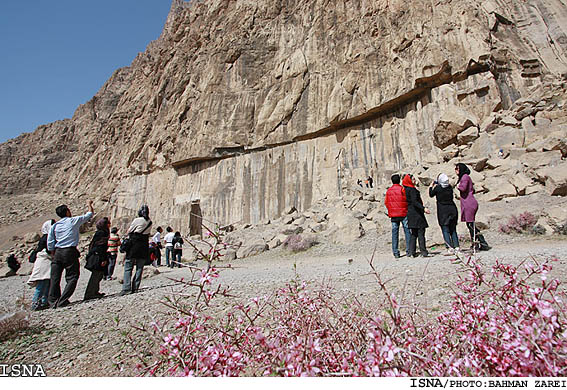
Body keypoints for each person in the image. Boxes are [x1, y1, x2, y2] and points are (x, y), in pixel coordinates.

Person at [47, 200, 94, 308]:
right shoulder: (73, 221)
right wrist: (89, 205)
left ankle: (53, 301)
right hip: (69, 251)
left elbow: (50, 242)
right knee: (72, 276)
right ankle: (63, 300)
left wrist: (53, 252)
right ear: (67, 212)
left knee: (55, 278)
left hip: (58, 251)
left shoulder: (55, 226)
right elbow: (89, 215)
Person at [455, 163, 490, 251]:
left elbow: (463, 188)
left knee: (471, 225)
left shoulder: (465, 177)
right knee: (470, 225)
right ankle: (481, 243)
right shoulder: (464, 177)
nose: (456, 170)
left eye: (457, 169)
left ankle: (478, 243)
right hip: (468, 203)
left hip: (469, 204)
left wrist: (457, 186)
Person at [121, 205, 152, 295]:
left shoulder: (137, 220)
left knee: (128, 266)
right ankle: (136, 287)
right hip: (144, 246)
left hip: (134, 245)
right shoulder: (150, 222)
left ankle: (126, 288)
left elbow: (130, 231)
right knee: (139, 268)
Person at [429, 173, 460, 255]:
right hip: (452, 209)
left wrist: (431, 186)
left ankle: (449, 247)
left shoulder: (438, 188)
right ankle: (456, 246)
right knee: (453, 229)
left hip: (443, 211)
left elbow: (431, 194)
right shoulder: (449, 187)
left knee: (445, 229)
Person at [27, 220, 55, 310]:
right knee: (42, 284)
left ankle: (43, 302)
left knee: (47, 283)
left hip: (46, 262)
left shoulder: (47, 237)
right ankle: (35, 304)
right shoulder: (47, 238)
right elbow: (48, 250)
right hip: (44, 262)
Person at [402, 174, 431, 257]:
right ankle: (423, 251)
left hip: (411, 213)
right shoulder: (412, 190)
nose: (415, 181)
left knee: (413, 234)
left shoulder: (406, 189)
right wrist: (423, 208)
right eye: (413, 179)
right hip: (417, 213)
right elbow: (415, 202)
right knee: (421, 233)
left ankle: (412, 252)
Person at [384, 174, 411, 258]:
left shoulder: (389, 191)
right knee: (407, 231)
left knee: (395, 233)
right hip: (403, 213)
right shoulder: (402, 189)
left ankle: (395, 252)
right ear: (399, 180)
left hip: (393, 215)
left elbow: (386, 202)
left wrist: (390, 210)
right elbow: (407, 200)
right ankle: (409, 250)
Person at [84, 218, 111, 300]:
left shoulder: (102, 233)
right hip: (98, 256)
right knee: (96, 275)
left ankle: (95, 291)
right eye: (108, 223)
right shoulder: (102, 233)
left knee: (98, 275)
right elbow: (100, 246)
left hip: (98, 255)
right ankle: (90, 293)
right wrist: (103, 259)